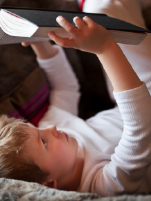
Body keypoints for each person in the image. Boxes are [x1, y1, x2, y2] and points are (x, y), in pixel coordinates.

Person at [0, 0, 151, 197]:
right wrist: (105, 48)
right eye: (43, 142)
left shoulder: (54, 130)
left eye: (36, 128)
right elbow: (141, 128)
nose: (50, 128)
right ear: (49, 184)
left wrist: (41, 46)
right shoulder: (104, 185)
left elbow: (65, 89)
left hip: (133, 95)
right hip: (144, 107)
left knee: (100, 8)